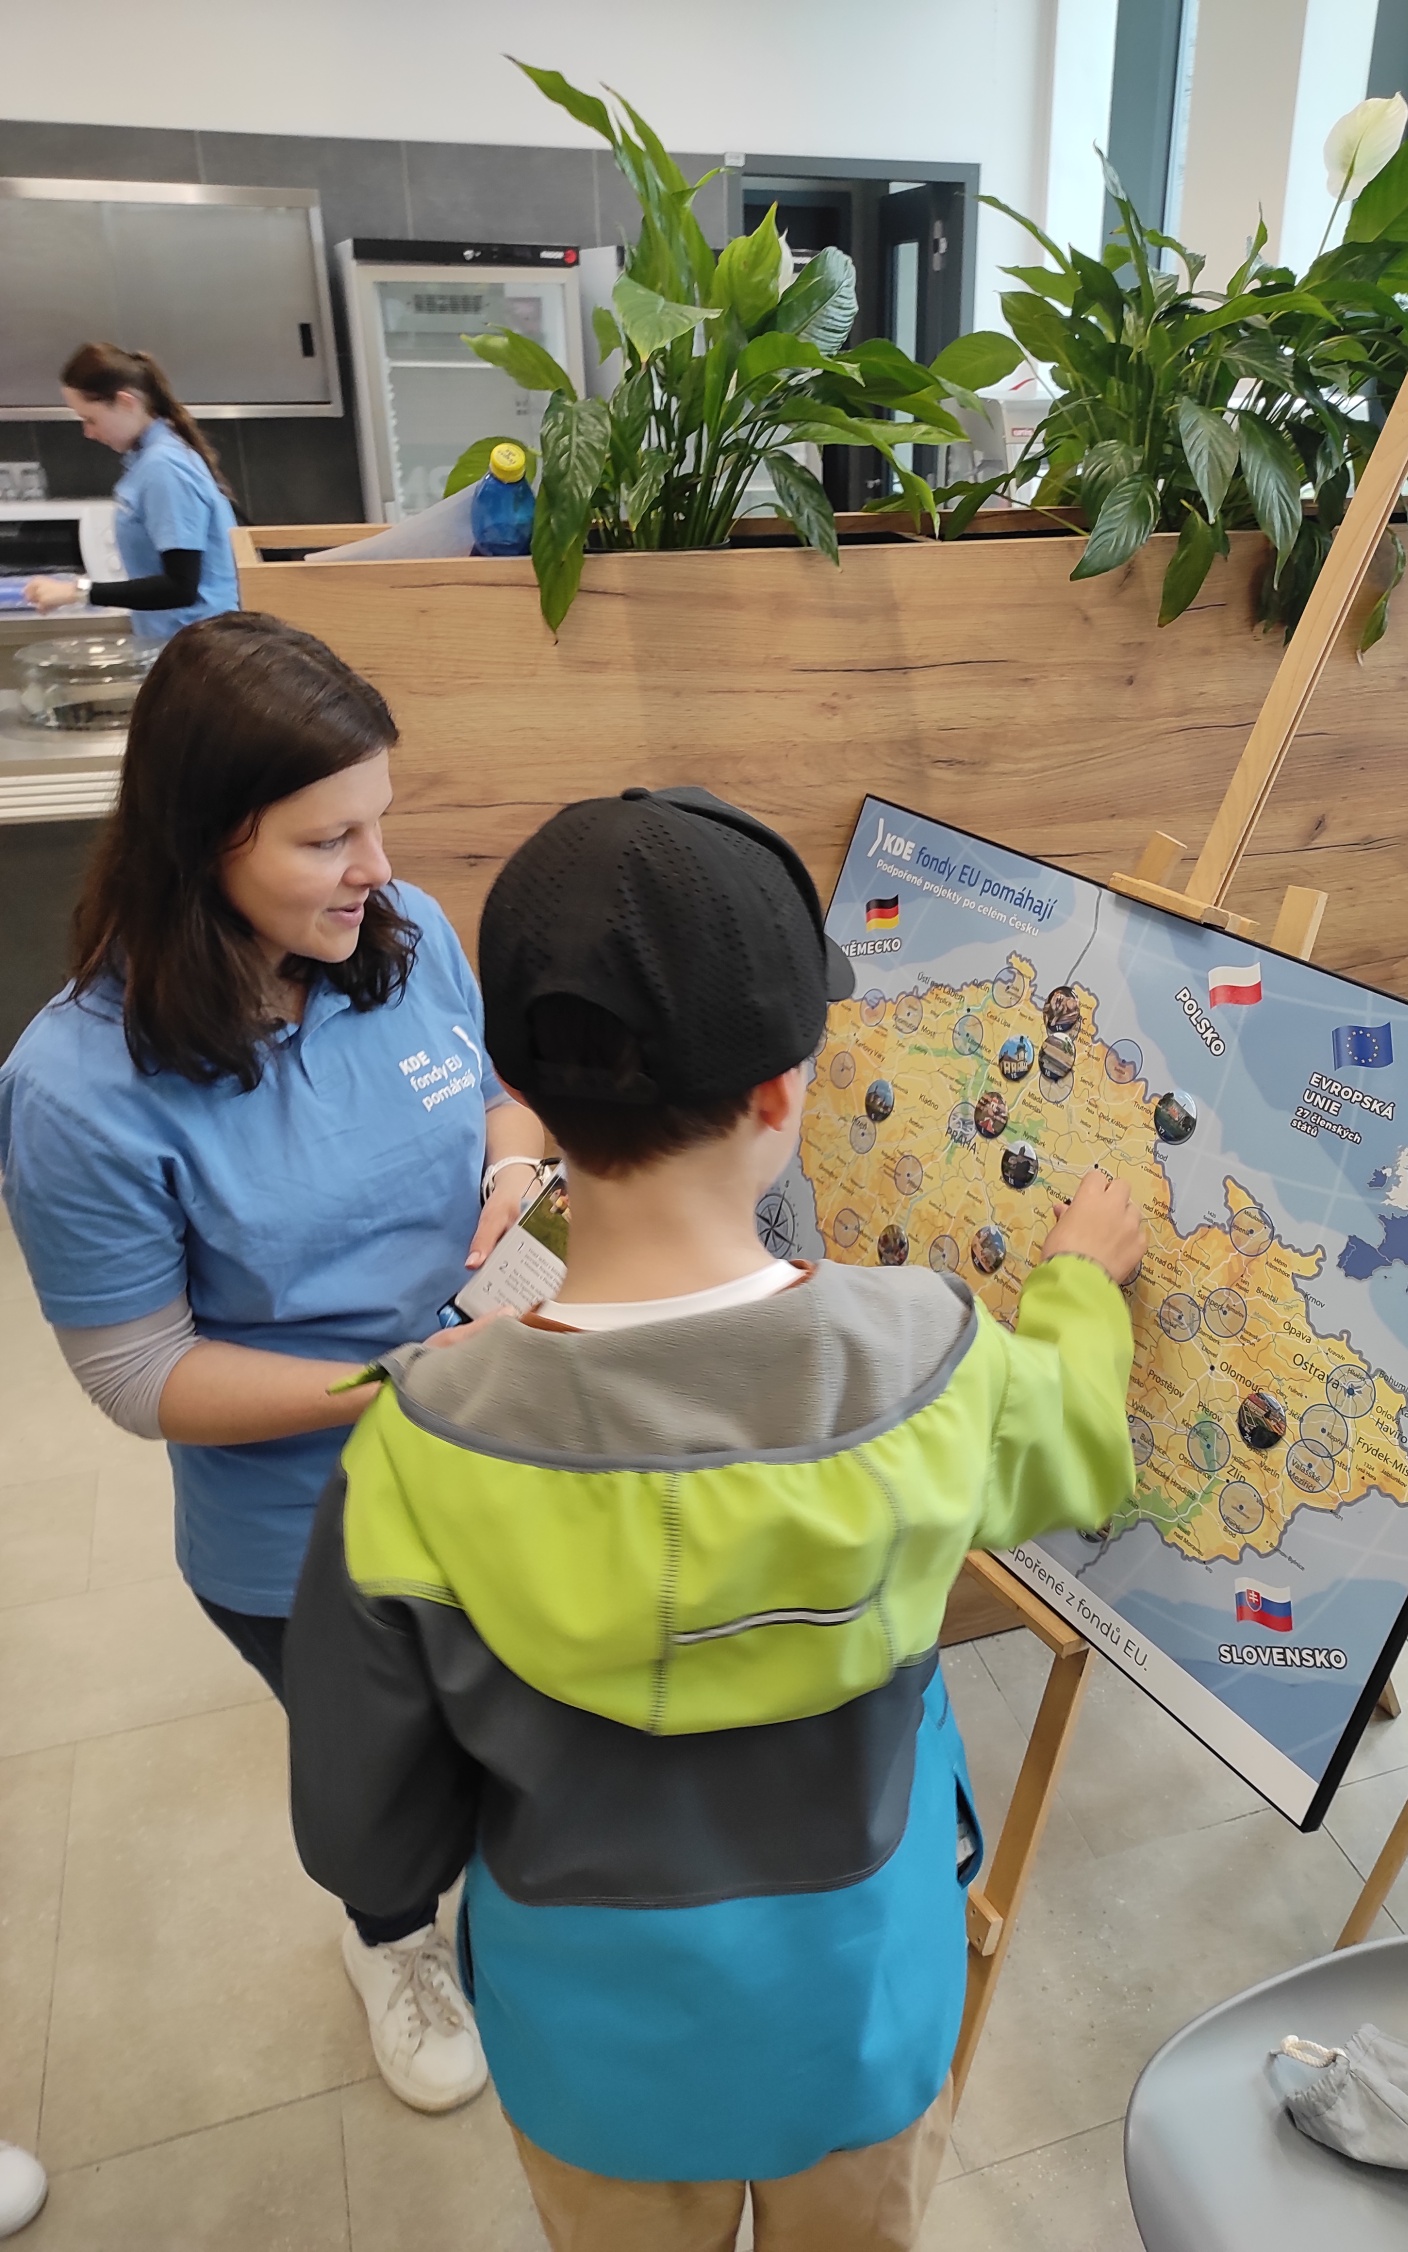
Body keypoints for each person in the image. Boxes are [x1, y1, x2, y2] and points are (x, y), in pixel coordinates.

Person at [285, 784, 1144, 2249]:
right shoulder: (938, 1357)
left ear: (527, 1095)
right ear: (781, 1097)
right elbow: (1079, 1458)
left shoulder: (412, 1446)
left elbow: (368, 1837)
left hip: (586, 2048)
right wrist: (1073, 1284)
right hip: (864, 2012)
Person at [0, 613, 547, 2114]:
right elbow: (139, 1376)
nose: (377, 867)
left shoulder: (404, 935)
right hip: (300, 1527)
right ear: (201, 842)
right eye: (326, 841)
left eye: (378, 820)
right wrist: (398, 1381)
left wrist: (513, 1168)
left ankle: (500, 1910)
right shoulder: (75, 1088)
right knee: (379, 1776)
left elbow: (496, 1093)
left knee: (498, 1721)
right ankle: (389, 1940)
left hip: (486, 1454)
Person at [22, 343, 240, 641]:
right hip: (182, 641)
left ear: (126, 402)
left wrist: (77, 592)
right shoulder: (150, 459)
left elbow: (180, 587)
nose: (88, 432)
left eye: (90, 419)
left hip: (198, 645)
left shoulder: (163, 467)